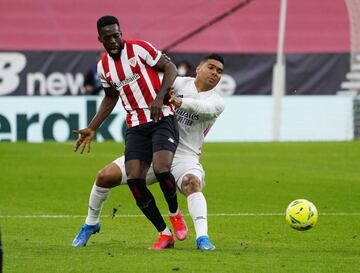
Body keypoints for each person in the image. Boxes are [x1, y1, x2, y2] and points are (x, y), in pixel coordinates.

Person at [72, 54, 225, 251]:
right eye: (211, 67)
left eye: (219, 71)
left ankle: (202, 238)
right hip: (154, 149)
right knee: (104, 176)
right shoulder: (177, 83)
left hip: (184, 157)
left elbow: (204, 109)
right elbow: (152, 83)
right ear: (198, 68)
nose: (214, 73)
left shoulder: (218, 101)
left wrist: (178, 102)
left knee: (191, 184)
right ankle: (91, 224)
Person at [72, 15, 187, 250]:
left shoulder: (140, 49)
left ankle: (175, 214)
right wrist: (92, 127)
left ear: (121, 32)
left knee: (162, 167)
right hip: (136, 125)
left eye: (117, 35)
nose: (114, 40)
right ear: (100, 39)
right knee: (135, 179)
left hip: (162, 117)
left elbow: (170, 68)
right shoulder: (103, 66)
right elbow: (110, 98)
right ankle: (164, 234)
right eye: (108, 37)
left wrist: (158, 96)